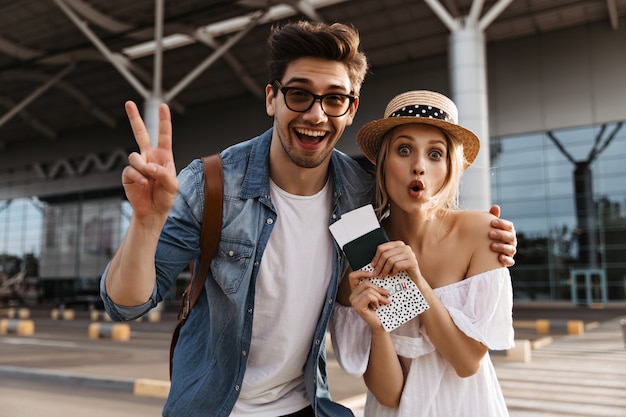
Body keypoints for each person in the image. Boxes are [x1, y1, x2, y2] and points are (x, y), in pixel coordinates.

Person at [100, 21, 517, 417]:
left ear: (351, 108)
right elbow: (126, 304)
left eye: (334, 98)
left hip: (305, 407)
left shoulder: (360, 201)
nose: (316, 115)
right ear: (271, 98)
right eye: (299, 94)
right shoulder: (212, 185)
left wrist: (490, 235)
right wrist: (146, 223)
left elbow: (417, 239)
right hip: (214, 407)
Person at [330, 90, 515, 417]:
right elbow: (389, 395)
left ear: (450, 167)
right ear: (383, 161)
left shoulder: (480, 233)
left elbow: (466, 362)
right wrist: (375, 326)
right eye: (404, 150)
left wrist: (416, 280)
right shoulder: (363, 243)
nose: (419, 167)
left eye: (435, 154)